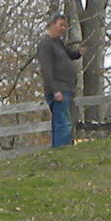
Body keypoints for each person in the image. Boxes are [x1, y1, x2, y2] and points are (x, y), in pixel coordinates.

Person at [37, 15, 81, 148]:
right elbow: (46, 70)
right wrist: (55, 90)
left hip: (67, 88)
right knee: (63, 122)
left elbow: (69, 55)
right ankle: (62, 149)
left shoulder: (58, 43)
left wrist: (80, 52)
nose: (63, 28)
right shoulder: (46, 44)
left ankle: (61, 148)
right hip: (59, 89)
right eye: (61, 25)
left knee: (64, 121)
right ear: (52, 24)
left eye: (65, 26)